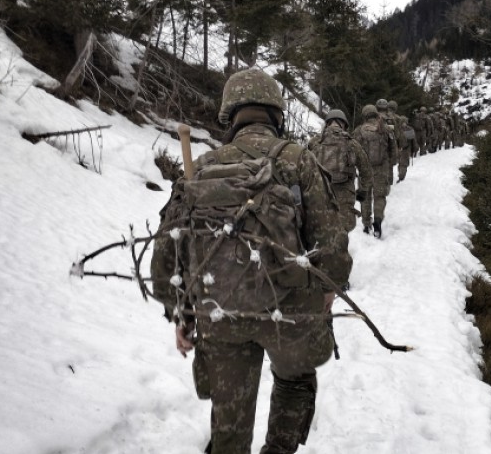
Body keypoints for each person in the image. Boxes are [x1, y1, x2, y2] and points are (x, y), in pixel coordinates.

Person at [151, 68, 352, 454]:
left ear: (230, 115)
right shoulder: (299, 160)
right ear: (276, 113)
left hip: (221, 311)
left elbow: (168, 260)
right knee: (295, 381)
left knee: (230, 410)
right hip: (290, 313)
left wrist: (182, 314)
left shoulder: (203, 167)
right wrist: (328, 293)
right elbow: (331, 244)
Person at [308, 109, 373, 232]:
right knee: (342, 230)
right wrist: (363, 190)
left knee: (322, 229)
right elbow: (366, 170)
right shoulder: (351, 143)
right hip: (345, 194)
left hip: (320, 192)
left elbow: (304, 167)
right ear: (343, 124)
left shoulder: (315, 142)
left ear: (327, 123)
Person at [352, 104, 396, 238]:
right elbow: (393, 150)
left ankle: (366, 224)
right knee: (379, 197)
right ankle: (377, 220)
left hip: (364, 170)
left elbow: (352, 150)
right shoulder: (385, 129)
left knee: (365, 197)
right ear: (376, 114)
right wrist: (390, 165)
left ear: (365, 115)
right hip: (381, 169)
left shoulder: (358, 131)